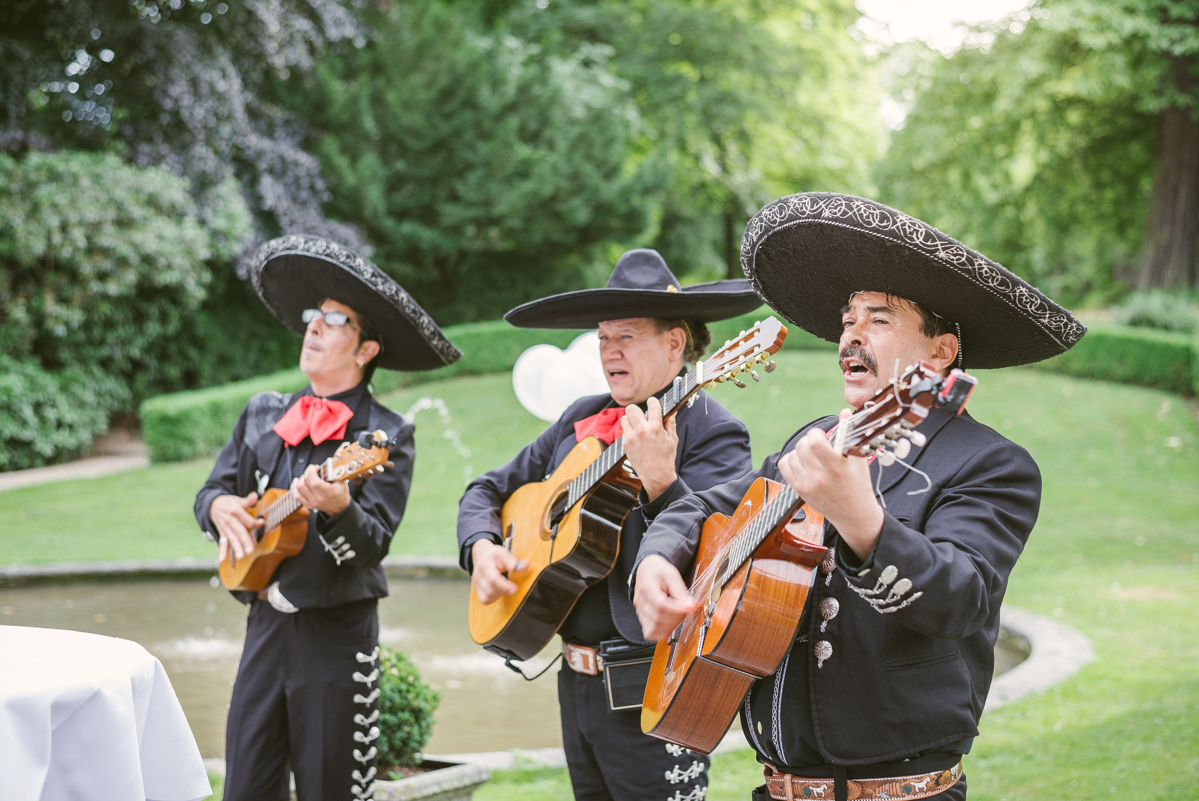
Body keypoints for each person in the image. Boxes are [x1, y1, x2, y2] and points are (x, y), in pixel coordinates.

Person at [632, 193, 1087, 801]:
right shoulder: (814, 439)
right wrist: (657, 556)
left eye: (879, 320)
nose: (851, 337)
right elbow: (706, 507)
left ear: (940, 353)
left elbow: (962, 597)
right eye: (848, 321)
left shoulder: (992, 464)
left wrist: (862, 521)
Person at [458, 249, 764, 801]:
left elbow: (723, 556)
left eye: (625, 336)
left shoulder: (714, 431)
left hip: (654, 685)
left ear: (676, 343)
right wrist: (481, 546)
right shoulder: (584, 416)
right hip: (573, 683)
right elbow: (486, 489)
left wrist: (662, 482)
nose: (608, 352)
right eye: (602, 338)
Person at [194, 234, 461, 801]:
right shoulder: (264, 413)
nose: (313, 326)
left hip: (336, 638)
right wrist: (218, 507)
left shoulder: (384, 437)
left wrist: (337, 507)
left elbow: (373, 545)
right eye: (314, 315)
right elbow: (215, 490)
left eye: (335, 320)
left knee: (330, 792)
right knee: (244, 789)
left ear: (366, 351)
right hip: (264, 627)